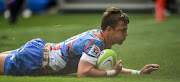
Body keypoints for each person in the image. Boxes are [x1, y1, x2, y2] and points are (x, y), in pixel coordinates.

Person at [0, 7, 159, 77]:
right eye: (122, 30)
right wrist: (111, 73)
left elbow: (95, 66)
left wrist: (138, 72)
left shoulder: (97, 37)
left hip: (39, 50)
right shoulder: (95, 44)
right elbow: (83, 73)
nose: (126, 34)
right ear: (109, 29)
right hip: (35, 61)